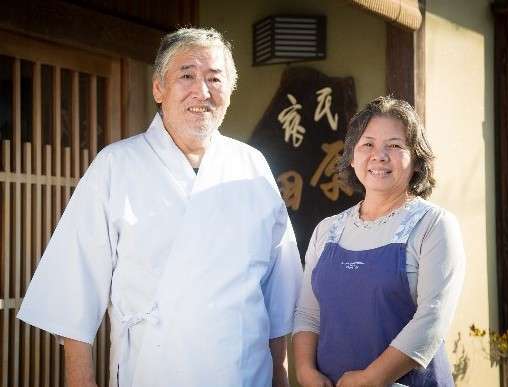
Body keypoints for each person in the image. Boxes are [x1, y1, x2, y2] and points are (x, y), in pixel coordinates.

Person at [18, 27, 302, 387]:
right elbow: (74, 291)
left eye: (215, 79)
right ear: (158, 88)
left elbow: (279, 295)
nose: (202, 91)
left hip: (243, 372)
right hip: (151, 368)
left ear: (229, 93)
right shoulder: (116, 165)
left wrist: (280, 376)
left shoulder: (252, 167)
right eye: (187, 76)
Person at [293, 96, 465, 387]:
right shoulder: (327, 230)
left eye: (395, 146)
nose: (379, 155)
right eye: (368, 144)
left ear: (417, 158)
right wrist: (305, 371)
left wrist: (371, 379)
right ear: (352, 156)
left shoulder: (434, 225)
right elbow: (308, 313)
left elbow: (430, 320)